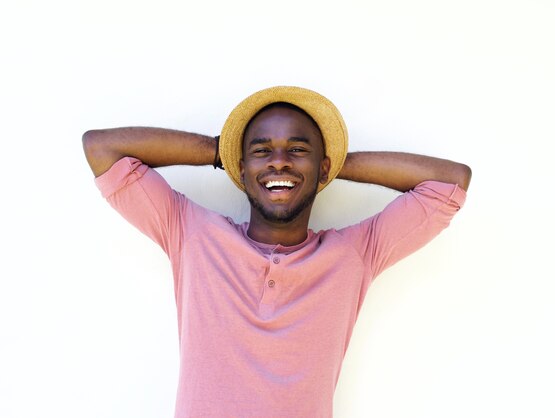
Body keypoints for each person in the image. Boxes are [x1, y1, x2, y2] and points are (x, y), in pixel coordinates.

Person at [83, 86, 471, 418]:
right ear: (241, 167)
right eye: (262, 151)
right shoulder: (192, 234)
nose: (280, 160)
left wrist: (328, 164)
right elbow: (102, 148)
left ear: (323, 169)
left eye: (297, 149)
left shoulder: (355, 254)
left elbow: (451, 182)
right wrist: (221, 150)